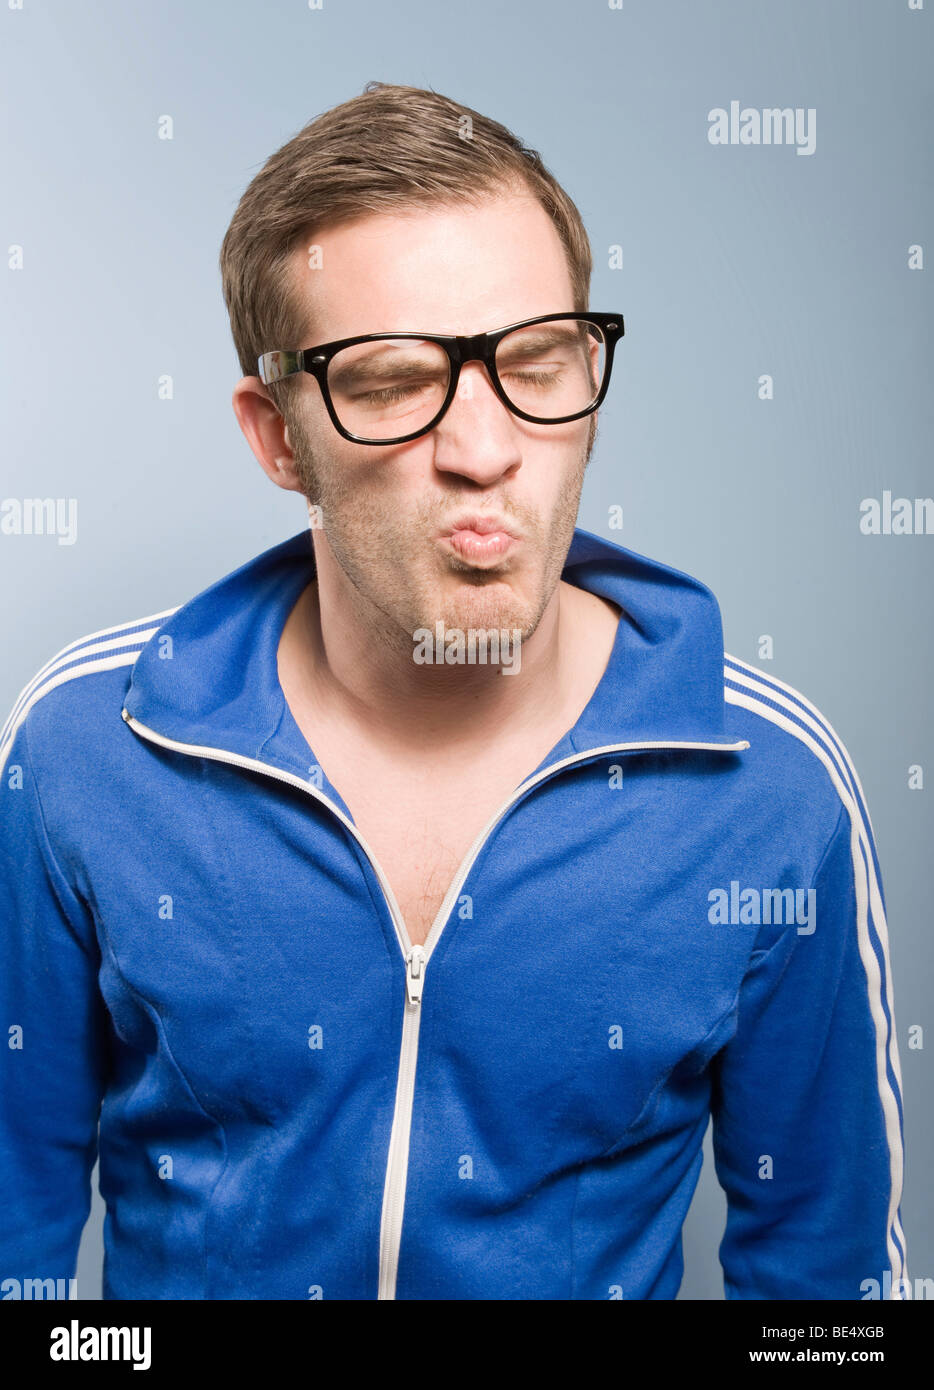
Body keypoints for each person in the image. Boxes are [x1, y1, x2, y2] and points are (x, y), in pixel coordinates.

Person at [0, 81, 907, 1301]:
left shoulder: (771, 790)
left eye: (537, 361)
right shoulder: (81, 753)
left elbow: (824, 1291)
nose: (483, 450)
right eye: (388, 380)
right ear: (278, 437)